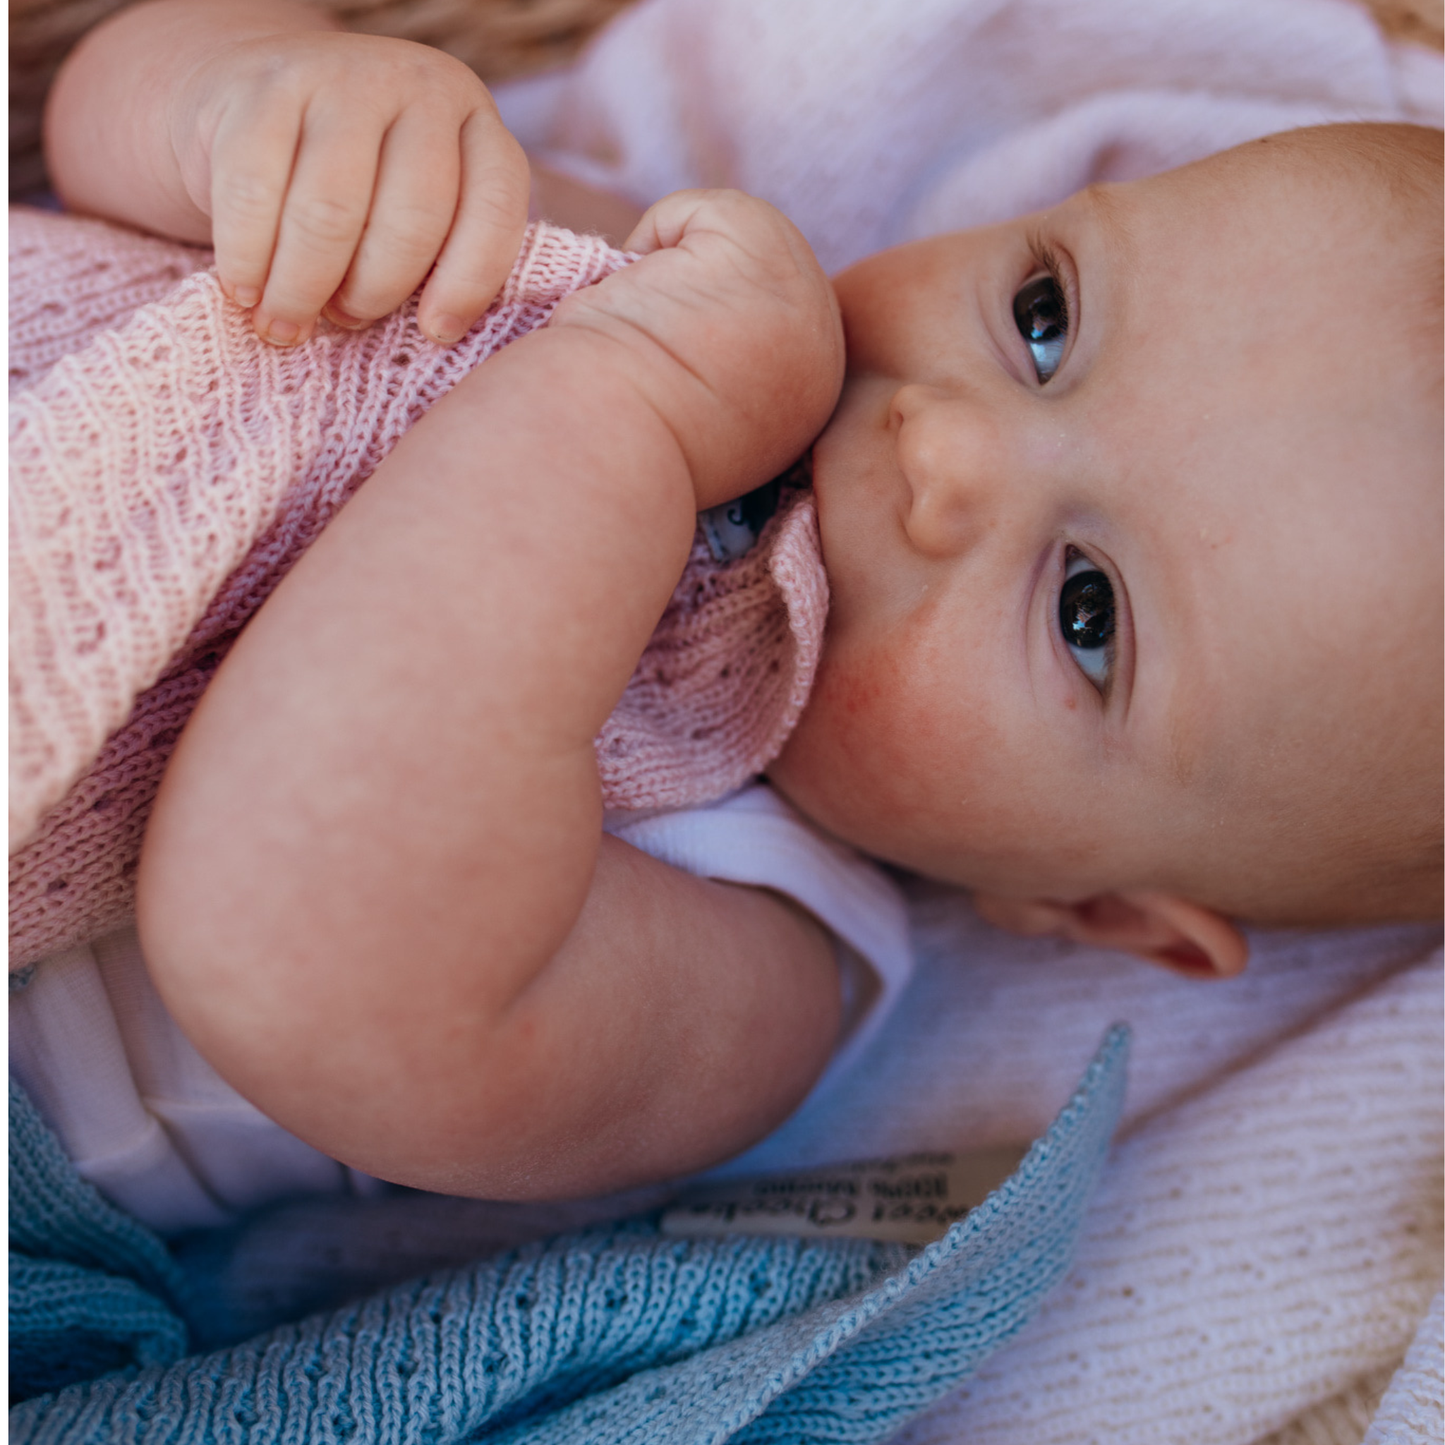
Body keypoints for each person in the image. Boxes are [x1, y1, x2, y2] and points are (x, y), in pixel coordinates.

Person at [22, 0, 1442, 1208]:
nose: (948, 446)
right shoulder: (668, 280)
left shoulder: (755, 963)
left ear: (1096, 906)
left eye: (1088, 613)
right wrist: (265, 107)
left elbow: (299, 946)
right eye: (1044, 322)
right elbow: (102, 140)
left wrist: (624, 413)